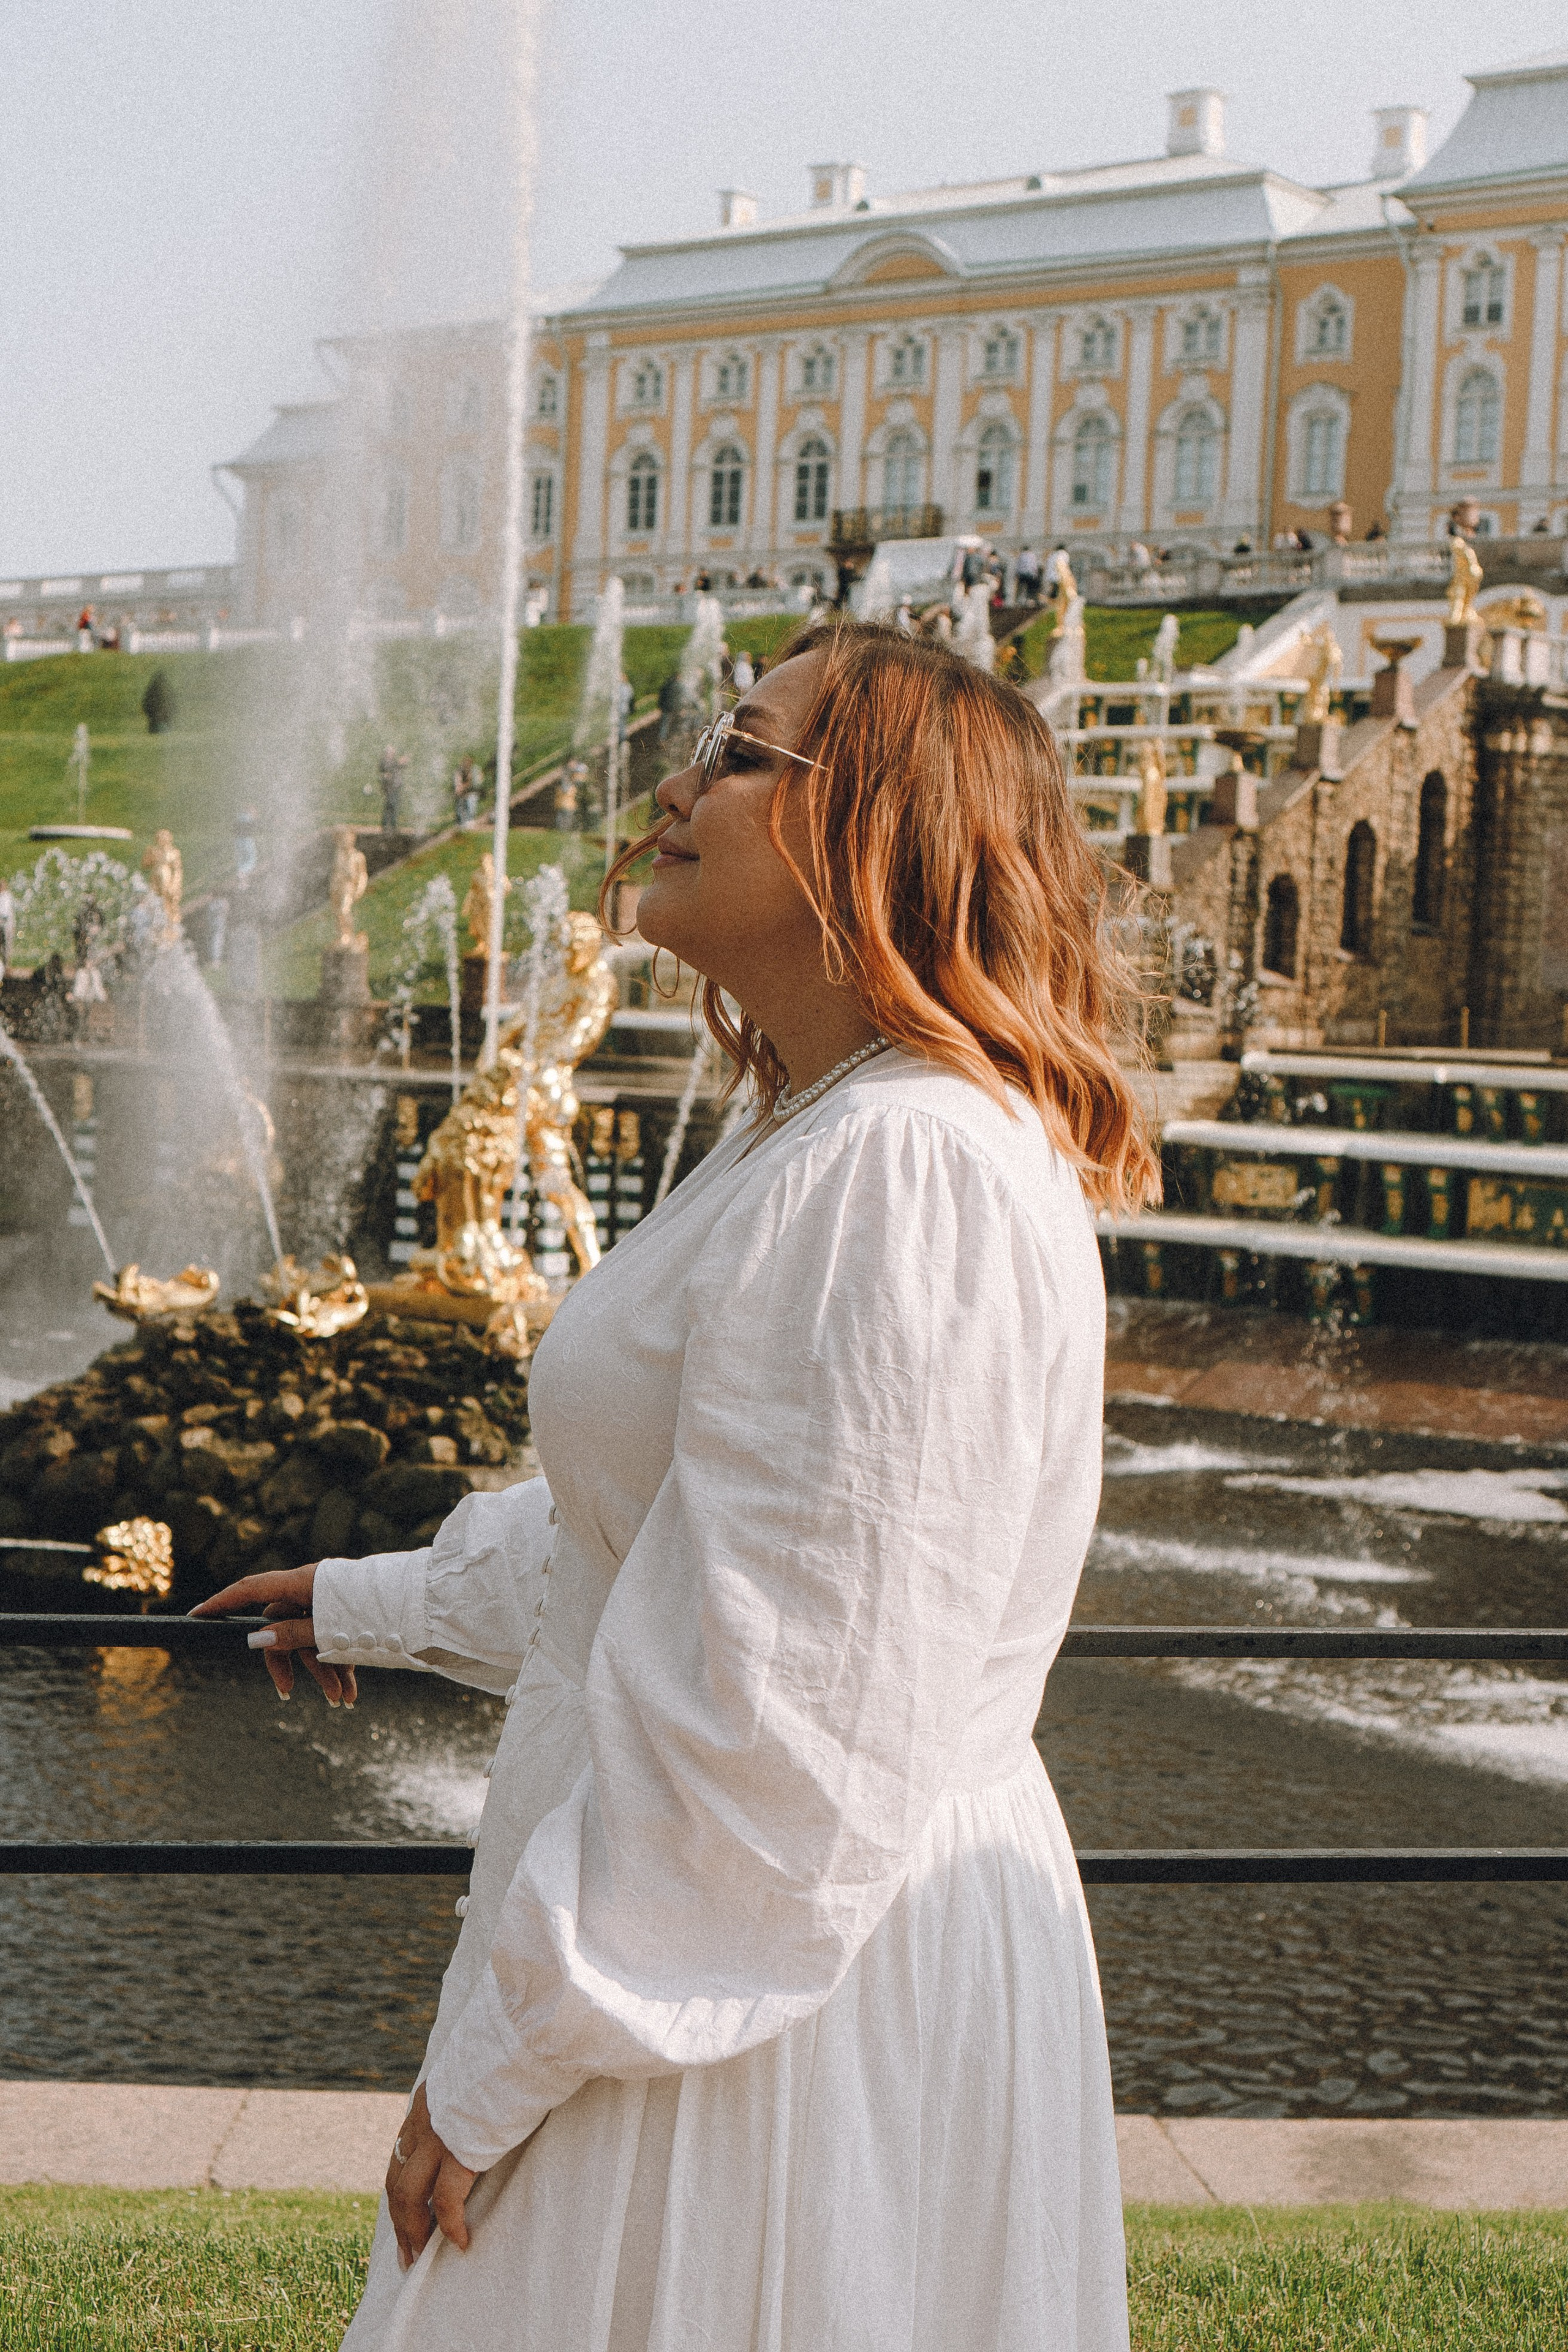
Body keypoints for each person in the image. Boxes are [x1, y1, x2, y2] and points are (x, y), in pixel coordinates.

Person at [197, 621, 1155, 2351]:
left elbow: (781, 1723)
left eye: (738, 748)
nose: (676, 784)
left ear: (869, 826)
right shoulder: (822, 1134)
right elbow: (653, 1535)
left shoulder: (902, 1169)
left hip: (759, 1995)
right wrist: (376, 1601)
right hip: (740, 1958)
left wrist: (497, 2061)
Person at [379, 744, 409, 832]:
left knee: (391, 805)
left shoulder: (393, 761)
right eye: (391, 752)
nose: (393, 754)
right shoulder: (385, 762)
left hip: (395, 787)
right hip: (389, 787)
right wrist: (399, 763)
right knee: (392, 805)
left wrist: (404, 762)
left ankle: (389, 825)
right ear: (388, 753)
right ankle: (391, 826)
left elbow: (399, 766)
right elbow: (389, 768)